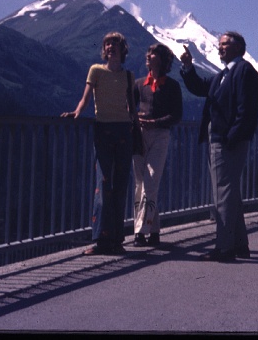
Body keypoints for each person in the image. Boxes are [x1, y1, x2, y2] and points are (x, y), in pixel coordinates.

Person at [179, 31, 258, 262]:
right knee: (229, 193)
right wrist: (187, 68)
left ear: (239, 48)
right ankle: (239, 245)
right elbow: (199, 87)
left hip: (226, 140)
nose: (220, 48)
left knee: (223, 193)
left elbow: (247, 110)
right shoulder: (222, 75)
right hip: (219, 138)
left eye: (225, 44)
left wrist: (230, 137)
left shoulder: (244, 71)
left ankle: (224, 248)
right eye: (220, 44)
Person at [62, 32, 135, 255]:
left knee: (121, 185)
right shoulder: (96, 70)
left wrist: (137, 129)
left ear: (122, 49)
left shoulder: (128, 76)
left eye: (115, 44)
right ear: (104, 49)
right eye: (107, 44)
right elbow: (86, 97)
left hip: (124, 130)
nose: (110, 47)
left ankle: (117, 240)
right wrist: (77, 111)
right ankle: (102, 240)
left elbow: (131, 107)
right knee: (103, 185)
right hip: (103, 129)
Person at [131, 43, 183, 247]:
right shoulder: (138, 84)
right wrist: (136, 119)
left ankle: (139, 232)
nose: (149, 56)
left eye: (153, 53)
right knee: (141, 183)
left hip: (160, 135)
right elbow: (129, 108)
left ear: (162, 59)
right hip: (139, 134)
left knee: (150, 182)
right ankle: (153, 230)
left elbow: (177, 115)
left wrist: (155, 122)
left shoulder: (172, 86)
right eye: (148, 53)